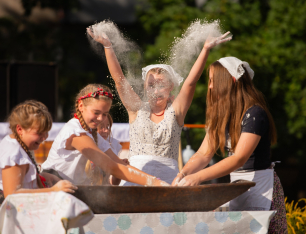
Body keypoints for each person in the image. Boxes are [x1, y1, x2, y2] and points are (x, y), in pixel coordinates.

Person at [87, 27, 232, 185]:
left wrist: (205, 49)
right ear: (145, 87)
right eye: (151, 85)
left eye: (161, 84)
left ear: (171, 86)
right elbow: (119, 80)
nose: (155, 90)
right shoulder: (136, 108)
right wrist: (108, 46)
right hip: (136, 177)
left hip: (168, 178)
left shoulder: (176, 110)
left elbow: (191, 82)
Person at [172, 57, 287, 233]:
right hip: (238, 188)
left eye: (212, 80)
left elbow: (239, 158)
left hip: (263, 189)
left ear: (232, 80)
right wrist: (183, 174)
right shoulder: (221, 115)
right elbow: (203, 154)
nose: (210, 86)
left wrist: (198, 177)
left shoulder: (254, 113)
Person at [0, 100, 77, 233]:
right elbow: (12, 193)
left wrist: (41, 176)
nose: (44, 137)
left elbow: (18, 177)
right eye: (39, 132)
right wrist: (53, 190)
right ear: (20, 129)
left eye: (46, 132)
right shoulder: (13, 152)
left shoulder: (18, 144)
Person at [41, 84, 169, 186]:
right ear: (81, 106)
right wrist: (155, 183)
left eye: (105, 114)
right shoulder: (75, 132)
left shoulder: (91, 134)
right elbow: (111, 166)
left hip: (67, 187)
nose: (101, 118)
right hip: (52, 185)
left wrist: (155, 180)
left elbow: (120, 164)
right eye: (96, 112)